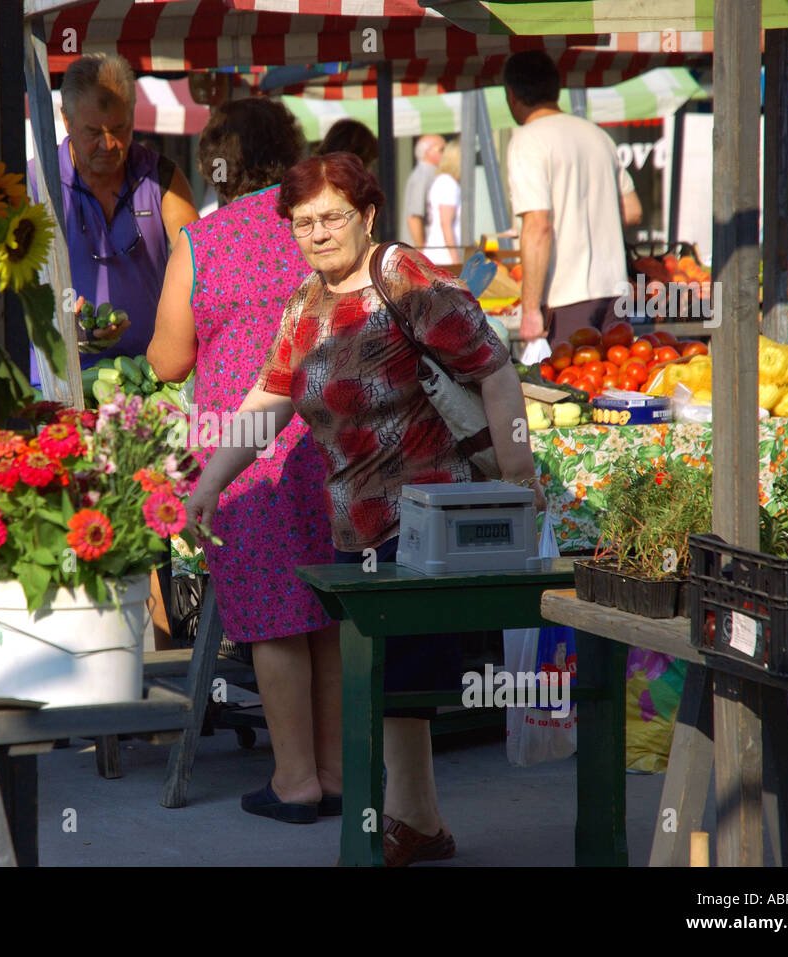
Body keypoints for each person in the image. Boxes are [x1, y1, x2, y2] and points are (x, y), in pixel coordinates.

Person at [184, 152, 544, 865]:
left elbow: (494, 368)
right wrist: (210, 481)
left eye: (332, 217)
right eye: (303, 221)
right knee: (390, 685)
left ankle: (404, 826)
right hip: (359, 526)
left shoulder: (401, 275)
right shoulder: (305, 304)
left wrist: (518, 476)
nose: (316, 233)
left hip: (427, 523)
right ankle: (421, 823)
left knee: (398, 680)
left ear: (368, 214)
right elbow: (269, 401)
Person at [147, 99, 341, 823]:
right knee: (330, 609)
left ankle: (294, 782)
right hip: (330, 442)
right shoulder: (320, 228)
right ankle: (338, 771)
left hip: (244, 452)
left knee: (272, 616)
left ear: (216, 163)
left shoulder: (202, 240)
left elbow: (168, 361)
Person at [44, 53, 200, 365]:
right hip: (58, 379)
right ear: (66, 120)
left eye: (119, 128)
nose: (109, 143)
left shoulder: (161, 177)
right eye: (93, 132)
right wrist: (61, 323)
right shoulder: (38, 184)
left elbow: (200, 268)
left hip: (148, 377)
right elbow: (12, 286)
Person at [502, 51, 642, 347]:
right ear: (556, 89)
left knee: (569, 390)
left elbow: (538, 225)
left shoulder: (528, 140)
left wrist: (529, 310)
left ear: (512, 95)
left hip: (568, 296)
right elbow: (632, 210)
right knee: (614, 387)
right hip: (615, 291)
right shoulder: (597, 134)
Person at [425, 139, 462, 267]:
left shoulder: (442, 181)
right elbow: (446, 223)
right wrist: (455, 259)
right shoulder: (448, 183)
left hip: (438, 255)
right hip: (444, 258)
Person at [403, 134, 445, 247]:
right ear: (427, 152)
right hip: (421, 255)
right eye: (442, 149)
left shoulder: (430, 174)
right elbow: (414, 217)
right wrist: (422, 251)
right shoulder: (423, 176)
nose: (446, 154)